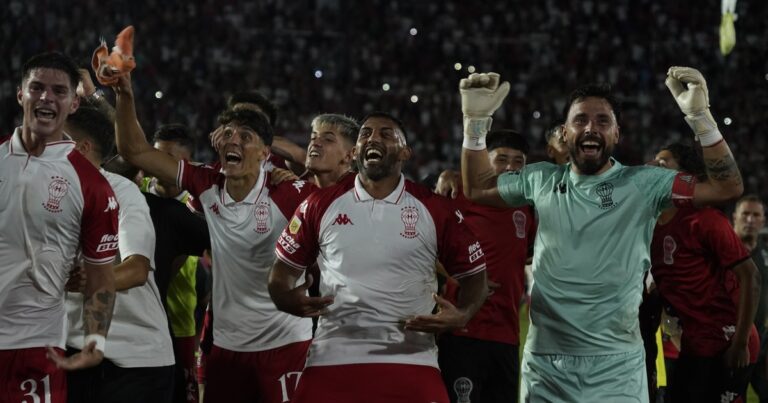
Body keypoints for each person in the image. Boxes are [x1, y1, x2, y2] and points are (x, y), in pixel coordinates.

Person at [459, 67, 744, 401]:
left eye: (602, 121)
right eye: (580, 120)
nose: (591, 127)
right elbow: (478, 189)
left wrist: (700, 117)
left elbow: (727, 186)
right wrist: (475, 124)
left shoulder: (644, 184)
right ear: (565, 133)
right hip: (547, 367)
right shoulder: (540, 180)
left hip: (617, 367)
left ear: (617, 134)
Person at [109, 71, 316, 403]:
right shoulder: (206, 181)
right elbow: (134, 151)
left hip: (285, 344)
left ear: (265, 153)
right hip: (226, 347)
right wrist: (124, 94)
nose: (233, 140)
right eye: (228, 133)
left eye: (246, 135)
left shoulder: (290, 192)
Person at [269, 112, 489, 402]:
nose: (373, 138)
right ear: (356, 152)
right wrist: (285, 298)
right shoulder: (319, 204)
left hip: (413, 358)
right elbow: (280, 275)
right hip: (332, 355)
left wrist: (463, 314)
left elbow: (476, 277)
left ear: (405, 152)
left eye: (386, 134)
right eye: (366, 134)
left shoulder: (434, 208)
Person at [0, 52, 118, 402]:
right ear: (21, 94)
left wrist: (95, 341)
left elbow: (100, 275)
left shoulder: (91, 184)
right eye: (36, 88)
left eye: (58, 91)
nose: (46, 98)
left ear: (74, 102)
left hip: (35, 347)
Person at [63, 102, 175, 402]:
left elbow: (137, 269)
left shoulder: (120, 192)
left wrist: (91, 278)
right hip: (73, 350)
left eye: (55, 140)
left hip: (134, 360)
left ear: (81, 148)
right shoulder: (45, 194)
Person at [650, 142, 759, 401]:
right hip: (695, 341)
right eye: (654, 160)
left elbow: (750, 277)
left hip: (728, 340)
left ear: (687, 178)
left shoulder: (705, 219)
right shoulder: (651, 223)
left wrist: (740, 342)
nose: (654, 166)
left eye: (664, 163)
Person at [435, 130, 535, 403]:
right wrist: (459, 276)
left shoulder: (526, 207)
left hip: (506, 335)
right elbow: (425, 247)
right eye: (501, 159)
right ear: (485, 160)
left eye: (518, 161)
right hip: (462, 329)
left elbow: (529, 252)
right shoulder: (458, 193)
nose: (510, 167)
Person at [143, 123, 205, 403]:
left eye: (168, 159)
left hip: (179, 319)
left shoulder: (198, 204)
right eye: (156, 156)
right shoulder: (137, 187)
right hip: (141, 314)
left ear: (185, 164)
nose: (159, 165)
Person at [732, 194, 768, 401]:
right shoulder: (722, 252)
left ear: (763, 220)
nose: (750, 220)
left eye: (756, 215)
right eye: (745, 214)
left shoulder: (764, 254)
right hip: (732, 342)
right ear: (734, 217)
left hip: (762, 341)